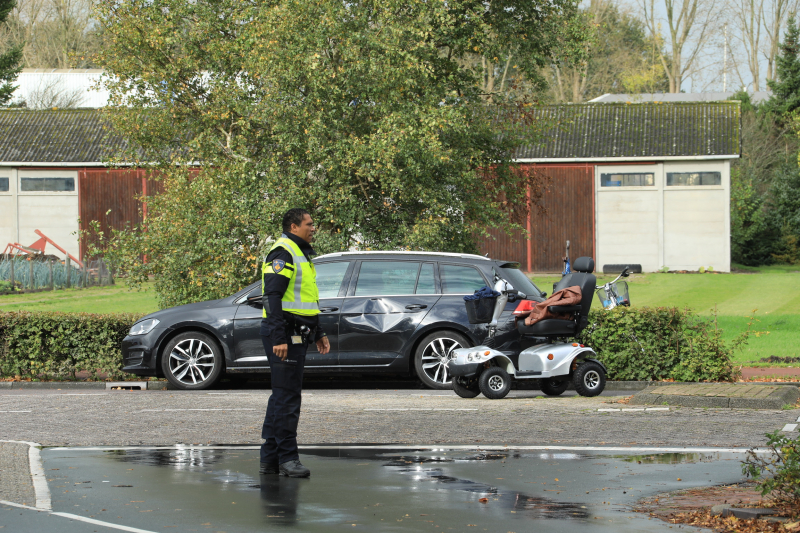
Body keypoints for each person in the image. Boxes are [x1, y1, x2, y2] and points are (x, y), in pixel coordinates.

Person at [259, 208, 330, 478]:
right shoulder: (283, 252)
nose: (314, 228)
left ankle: (270, 459)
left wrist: (319, 332)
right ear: (293, 226)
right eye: (309, 224)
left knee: (282, 395)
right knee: (287, 398)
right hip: (284, 335)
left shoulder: (300, 253)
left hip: (296, 332)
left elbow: (307, 300)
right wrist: (278, 337)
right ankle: (287, 459)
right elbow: (272, 297)